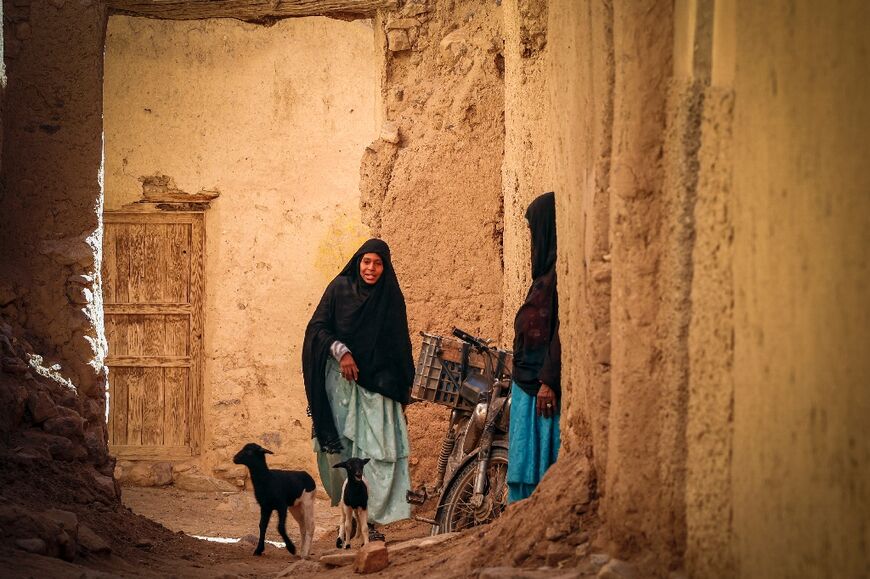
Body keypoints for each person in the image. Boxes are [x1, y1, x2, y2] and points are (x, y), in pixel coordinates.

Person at [302, 238, 414, 541]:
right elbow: (317, 328)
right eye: (367, 262)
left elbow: (399, 346)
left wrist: (401, 387)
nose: (371, 269)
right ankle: (350, 520)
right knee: (347, 454)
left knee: (377, 454)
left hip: (380, 387)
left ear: (385, 266)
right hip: (343, 387)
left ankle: (373, 523)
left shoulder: (390, 297)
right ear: (357, 262)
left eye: (378, 263)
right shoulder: (339, 289)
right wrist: (343, 352)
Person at [507, 192, 562, 503]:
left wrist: (547, 382)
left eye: (533, 230)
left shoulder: (557, 279)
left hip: (541, 388)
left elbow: (561, 330)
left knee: (541, 460)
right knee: (525, 457)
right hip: (526, 383)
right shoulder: (545, 276)